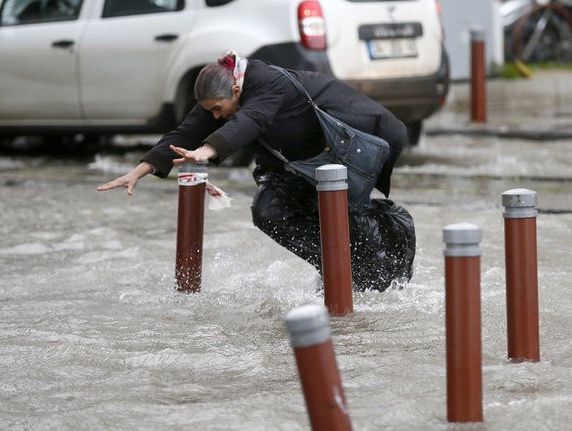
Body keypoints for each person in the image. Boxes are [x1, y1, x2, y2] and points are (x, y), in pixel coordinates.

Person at [97, 50, 415, 292]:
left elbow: (250, 121)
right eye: (211, 112)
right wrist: (140, 169)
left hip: (359, 144)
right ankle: (335, 268)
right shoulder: (219, 99)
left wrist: (206, 152)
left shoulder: (266, 81)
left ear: (236, 90)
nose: (216, 117)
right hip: (299, 166)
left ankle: (382, 254)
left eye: (218, 110)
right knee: (269, 212)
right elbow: (185, 133)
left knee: (353, 224)